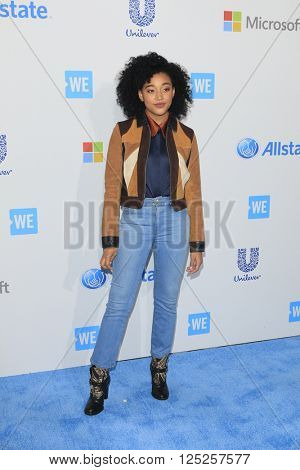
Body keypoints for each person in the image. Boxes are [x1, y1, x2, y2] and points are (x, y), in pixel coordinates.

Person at [84, 51, 205, 416]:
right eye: (151, 89)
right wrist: (110, 240)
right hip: (134, 219)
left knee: (167, 301)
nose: (159, 96)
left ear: (175, 92)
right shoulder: (122, 133)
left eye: (166, 88)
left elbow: (195, 191)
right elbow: (110, 190)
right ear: (138, 94)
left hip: (176, 219)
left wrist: (197, 243)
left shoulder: (187, 136)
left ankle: (159, 370)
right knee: (119, 303)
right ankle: (99, 380)